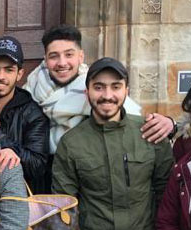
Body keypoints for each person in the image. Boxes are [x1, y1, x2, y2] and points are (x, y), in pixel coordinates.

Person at [52, 57, 174, 230]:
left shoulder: (149, 133)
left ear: (126, 91)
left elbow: (166, 195)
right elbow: (64, 205)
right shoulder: (72, 143)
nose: (107, 95)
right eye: (99, 87)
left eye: (115, 87)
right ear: (87, 92)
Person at [23, 24, 175, 153]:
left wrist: (170, 124)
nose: (62, 62)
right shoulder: (33, 84)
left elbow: (135, 121)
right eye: (54, 56)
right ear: (46, 59)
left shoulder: (95, 89)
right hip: (39, 167)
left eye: (69, 54)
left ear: (80, 56)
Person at [0, 36, 50, 192]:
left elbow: (36, 167)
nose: (1, 76)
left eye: (9, 70)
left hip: (16, 200)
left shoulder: (33, 115)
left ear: (19, 74)